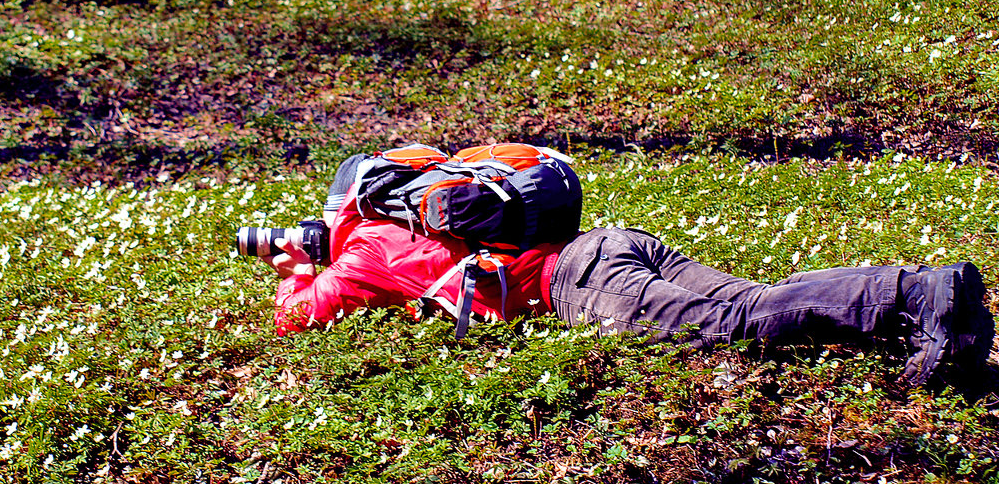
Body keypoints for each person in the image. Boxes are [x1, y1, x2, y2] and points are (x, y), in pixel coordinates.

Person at [266, 155, 994, 387]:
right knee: (752, 299)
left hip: (577, 282)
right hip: (609, 243)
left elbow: (301, 316)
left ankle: (918, 298)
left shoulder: (367, 246)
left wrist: (294, 270)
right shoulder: (422, 216)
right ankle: (925, 295)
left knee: (733, 325)